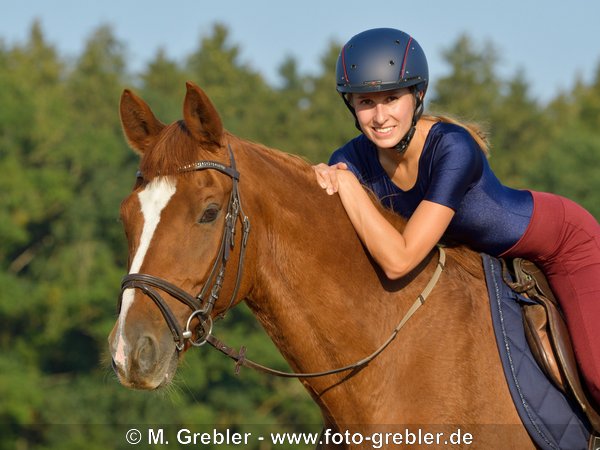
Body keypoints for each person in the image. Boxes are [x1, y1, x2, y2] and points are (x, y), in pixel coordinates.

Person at [313, 27, 600, 407]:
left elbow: (399, 260)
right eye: (366, 101)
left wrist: (347, 188)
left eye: (392, 98)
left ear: (417, 96)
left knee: (597, 377)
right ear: (351, 105)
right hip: (481, 260)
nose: (379, 116)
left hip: (563, 242)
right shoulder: (349, 161)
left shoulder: (453, 147)